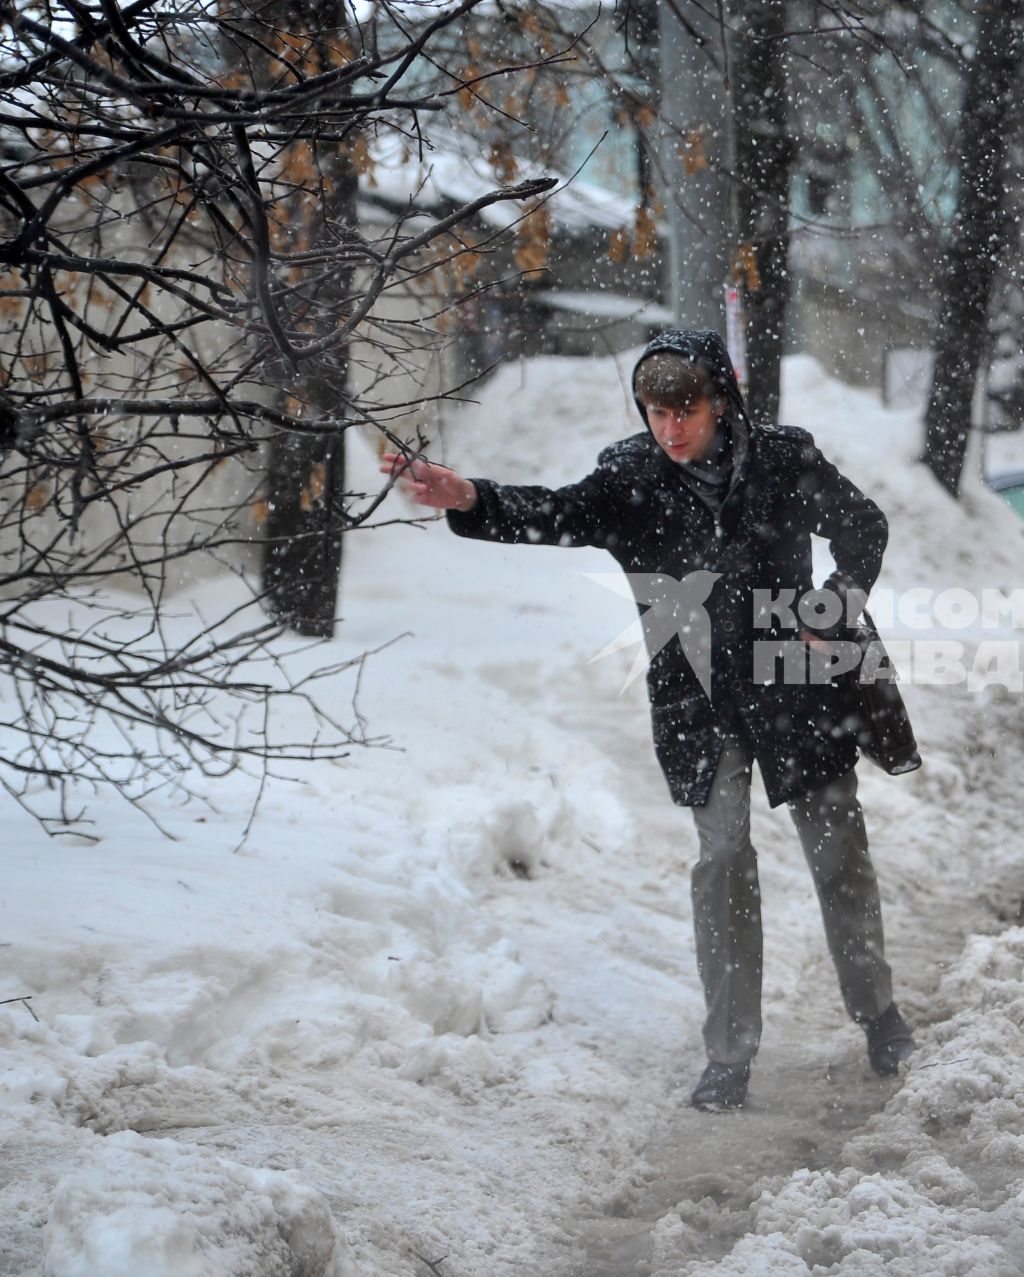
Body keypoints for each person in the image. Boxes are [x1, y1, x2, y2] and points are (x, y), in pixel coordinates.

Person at [380, 329, 915, 1113]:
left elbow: (863, 525)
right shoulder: (632, 475)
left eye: (686, 409)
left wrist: (834, 604)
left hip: (795, 684)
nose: (670, 428)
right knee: (723, 857)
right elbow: (556, 513)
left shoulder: (782, 458)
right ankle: (728, 1055)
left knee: (838, 845)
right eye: (655, 411)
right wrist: (470, 497)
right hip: (697, 694)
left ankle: (880, 1014)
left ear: (721, 399)